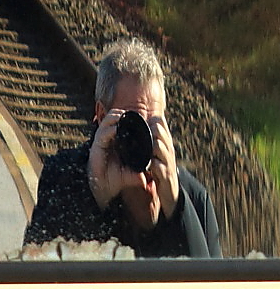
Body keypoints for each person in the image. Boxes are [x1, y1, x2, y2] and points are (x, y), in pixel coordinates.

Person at [23, 37, 222, 257]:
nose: (144, 137)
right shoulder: (64, 177)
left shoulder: (193, 198)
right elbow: (38, 274)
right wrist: (95, 195)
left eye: (152, 123)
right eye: (133, 123)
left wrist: (176, 208)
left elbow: (210, 288)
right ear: (101, 115)